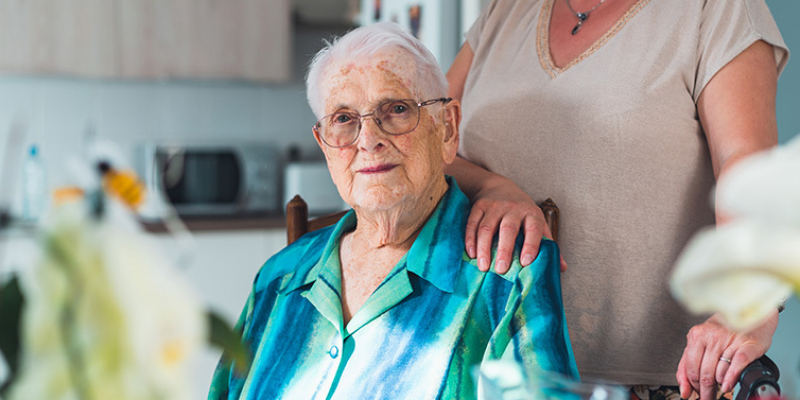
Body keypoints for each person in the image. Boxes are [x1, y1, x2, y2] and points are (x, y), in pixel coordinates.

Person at [208, 22, 578, 400]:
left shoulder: (507, 273)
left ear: (447, 130)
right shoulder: (280, 276)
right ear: (324, 145)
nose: (369, 141)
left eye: (397, 109)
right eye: (343, 119)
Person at [444, 1, 789, 399]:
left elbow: (744, 165)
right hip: (487, 370)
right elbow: (426, 145)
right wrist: (493, 187)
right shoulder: (505, 10)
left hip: (651, 382)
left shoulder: (715, 9)